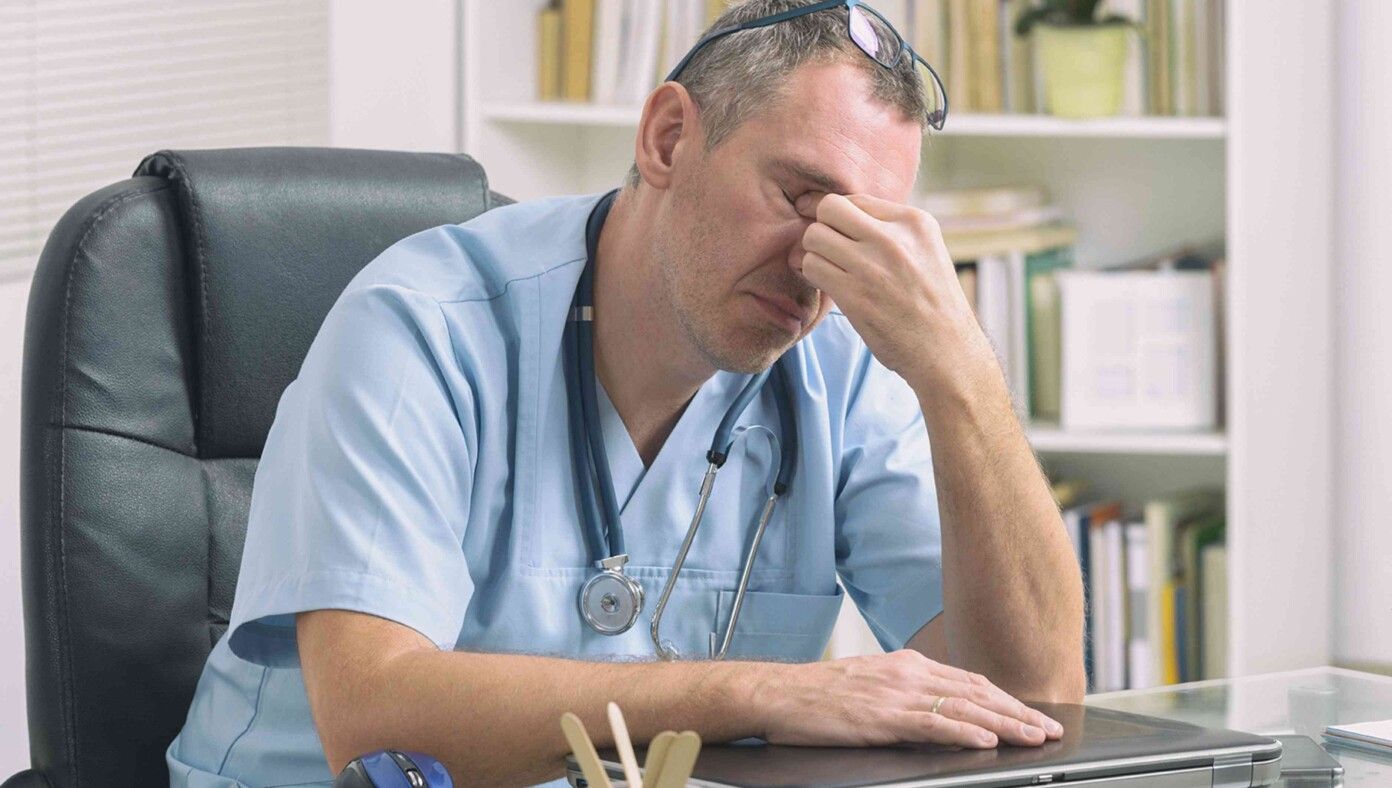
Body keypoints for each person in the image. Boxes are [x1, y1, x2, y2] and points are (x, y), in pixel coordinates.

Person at [166, 1, 1085, 785]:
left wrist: (962, 373)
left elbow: (1034, 707)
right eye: (801, 200)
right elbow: (372, 716)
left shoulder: (840, 371)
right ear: (667, 139)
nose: (816, 267)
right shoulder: (421, 326)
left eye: (860, 232)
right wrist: (764, 693)